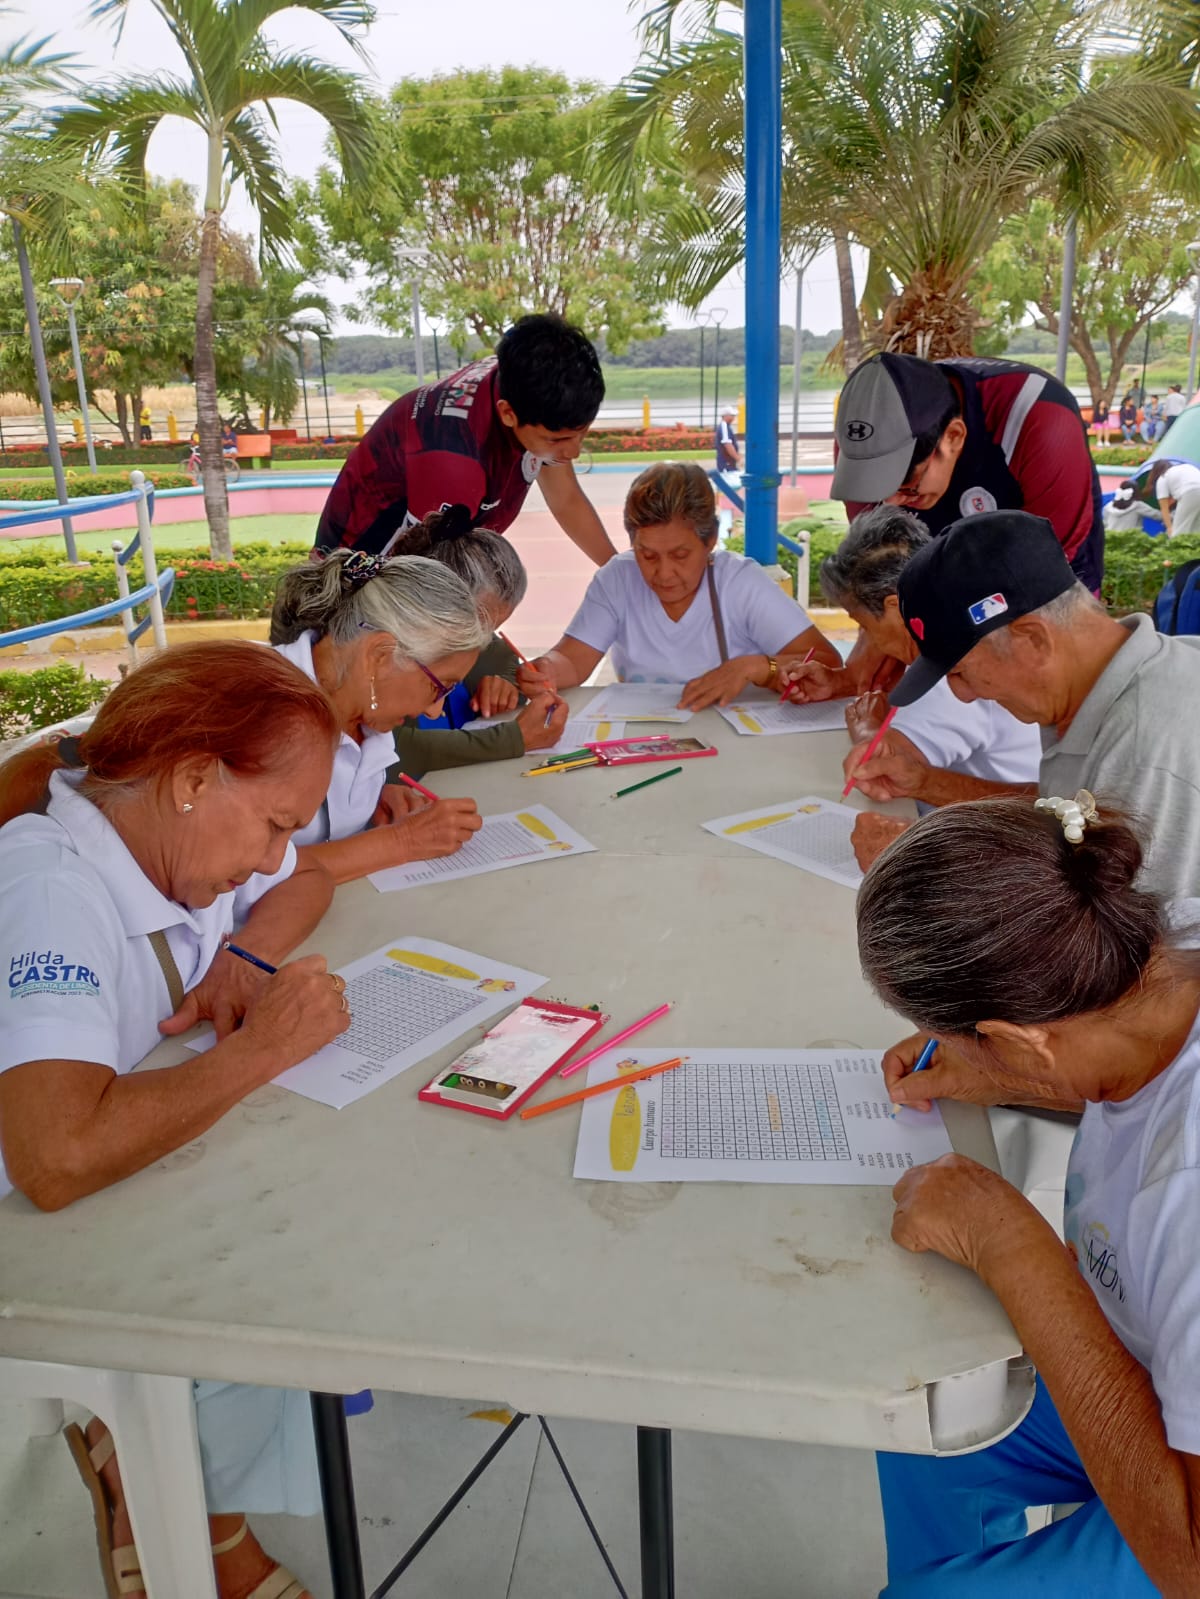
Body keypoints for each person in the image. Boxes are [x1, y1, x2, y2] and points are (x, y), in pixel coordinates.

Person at [0, 640, 351, 1599]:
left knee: (299, 1201)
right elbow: (54, 1157)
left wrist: (245, 953)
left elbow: (306, 878)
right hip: (30, 1227)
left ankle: (184, 1484)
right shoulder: (51, 887)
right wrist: (258, 1050)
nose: (273, 855)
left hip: (99, 1183)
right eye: (273, 824)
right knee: (274, 1264)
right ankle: (183, 1503)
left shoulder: (162, 835)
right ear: (195, 778)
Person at [856, 797, 1200, 1597]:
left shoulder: (1186, 1190)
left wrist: (1012, 1247)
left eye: (974, 1040)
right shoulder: (1164, 946)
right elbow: (1138, 1070)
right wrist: (1013, 1076)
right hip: (1154, 1358)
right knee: (926, 1417)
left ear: (1019, 1036)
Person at [847, 509, 1200, 888]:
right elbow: (1070, 817)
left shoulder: (1142, 750)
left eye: (961, 672)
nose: (962, 695)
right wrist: (922, 781)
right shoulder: (1104, 686)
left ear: (1033, 639)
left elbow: (1119, 921)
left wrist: (915, 866)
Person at [783, 507, 1041, 809]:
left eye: (864, 625)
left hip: (995, 830)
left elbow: (886, 764)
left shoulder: (956, 667)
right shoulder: (966, 624)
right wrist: (841, 682)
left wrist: (868, 728)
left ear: (895, 608)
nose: (867, 640)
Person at [526, 461, 839, 710]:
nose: (664, 574)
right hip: (644, 742)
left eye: (680, 555)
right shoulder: (617, 579)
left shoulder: (740, 583)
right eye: (647, 555)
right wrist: (546, 669)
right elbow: (573, 661)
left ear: (711, 540)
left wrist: (755, 667)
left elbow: (827, 663)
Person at [313, 313, 616, 567]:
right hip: (359, 567)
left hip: (427, 553)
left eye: (583, 432)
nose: (573, 451)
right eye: (558, 439)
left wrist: (616, 569)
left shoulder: (528, 385)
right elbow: (424, 580)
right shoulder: (454, 458)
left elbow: (565, 499)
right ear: (508, 414)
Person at [268, 551, 494, 884]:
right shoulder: (256, 710)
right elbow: (244, 874)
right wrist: (403, 841)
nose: (434, 711)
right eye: (440, 687)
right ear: (379, 656)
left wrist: (368, 804)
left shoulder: (364, 709)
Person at [831, 351, 1105, 593]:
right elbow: (877, 567)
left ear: (953, 437)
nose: (890, 502)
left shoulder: (1039, 419)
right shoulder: (858, 442)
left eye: (906, 486)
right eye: (877, 488)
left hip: (1043, 559)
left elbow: (1043, 567)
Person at [384, 506, 569, 772]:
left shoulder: (482, 649)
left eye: (494, 628)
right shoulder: (387, 654)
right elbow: (395, 750)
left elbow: (502, 658)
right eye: (477, 629)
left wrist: (508, 686)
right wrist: (511, 739)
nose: (484, 642)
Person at [1138, 458, 1200, 537]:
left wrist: (1169, 528)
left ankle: (1176, 543)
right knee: (1196, 530)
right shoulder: (1183, 468)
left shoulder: (1163, 478)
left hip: (1190, 493)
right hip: (1193, 490)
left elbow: (1164, 509)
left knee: (1179, 531)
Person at [714, 404, 741, 476]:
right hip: (726, 463)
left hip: (729, 462)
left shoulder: (726, 427)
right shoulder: (724, 426)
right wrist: (737, 458)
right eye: (732, 415)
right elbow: (727, 444)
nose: (734, 418)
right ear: (726, 416)